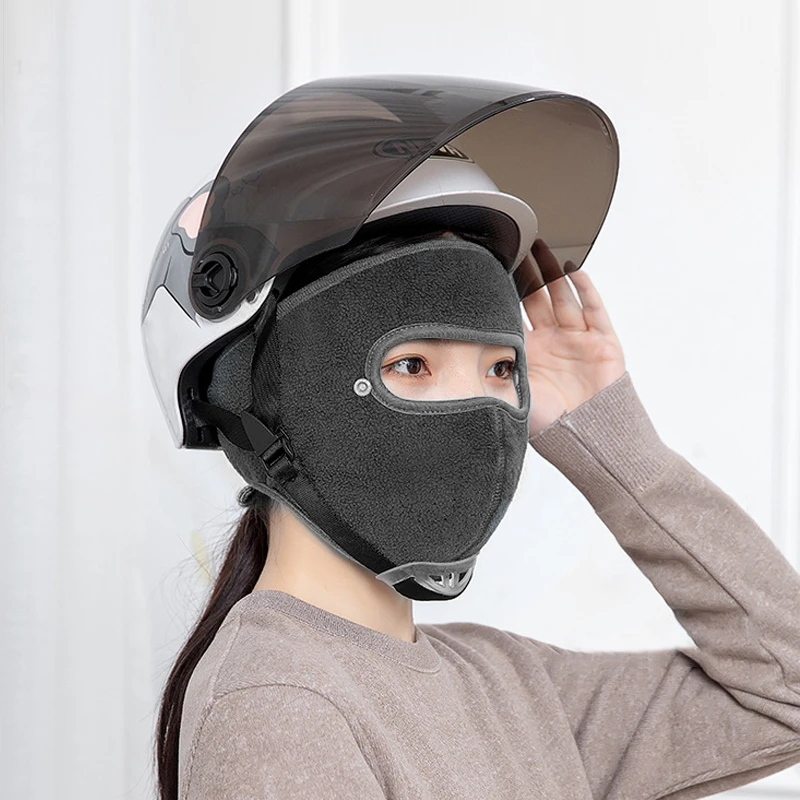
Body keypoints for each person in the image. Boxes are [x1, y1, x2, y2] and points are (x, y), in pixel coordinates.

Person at [141, 76, 800, 799]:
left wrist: (612, 441)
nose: (478, 414)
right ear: (258, 393)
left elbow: (786, 691)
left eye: (500, 371)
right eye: (411, 366)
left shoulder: (513, 688)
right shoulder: (280, 706)